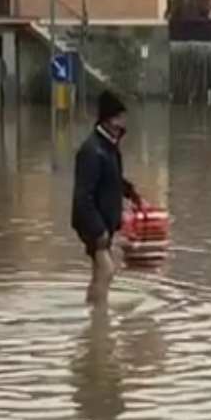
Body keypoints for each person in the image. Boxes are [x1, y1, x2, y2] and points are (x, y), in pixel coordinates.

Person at [72, 90, 139, 304]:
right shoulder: (92, 151)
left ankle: (94, 314)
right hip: (92, 222)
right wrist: (98, 230)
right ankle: (99, 323)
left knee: (100, 273)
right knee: (107, 271)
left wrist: (132, 194)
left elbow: (113, 179)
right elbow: (83, 197)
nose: (123, 123)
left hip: (103, 222)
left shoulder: (109, 147)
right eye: (119, 117)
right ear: (108, 119)